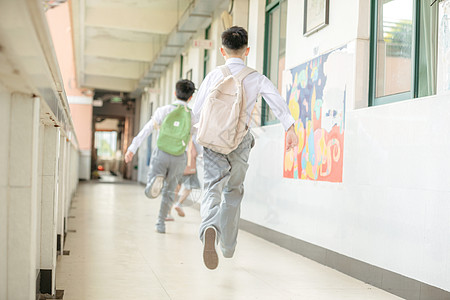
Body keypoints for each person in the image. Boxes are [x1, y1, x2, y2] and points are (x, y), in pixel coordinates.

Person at [193, 26, 298, 270]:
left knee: (212, 188)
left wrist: (195, 139)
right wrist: (290, 128)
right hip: (239, 142)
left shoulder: (213, 76)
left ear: (222, 50)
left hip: (213, 143)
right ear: (247, 50)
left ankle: (209, 227)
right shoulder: (256, 77)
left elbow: (196, 111)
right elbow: (276, 100)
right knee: (233, 191)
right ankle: (228, 245)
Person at [125, 79, 196, 234]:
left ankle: (153, 182)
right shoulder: (192, 115)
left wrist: (132, 148)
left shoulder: (163, 110)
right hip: (179, 156)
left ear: (175, 93)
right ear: (190, 98)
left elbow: (147, 129)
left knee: (152, 182)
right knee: (170, 191)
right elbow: (197, 139)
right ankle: (160, 223)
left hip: (162, 152)